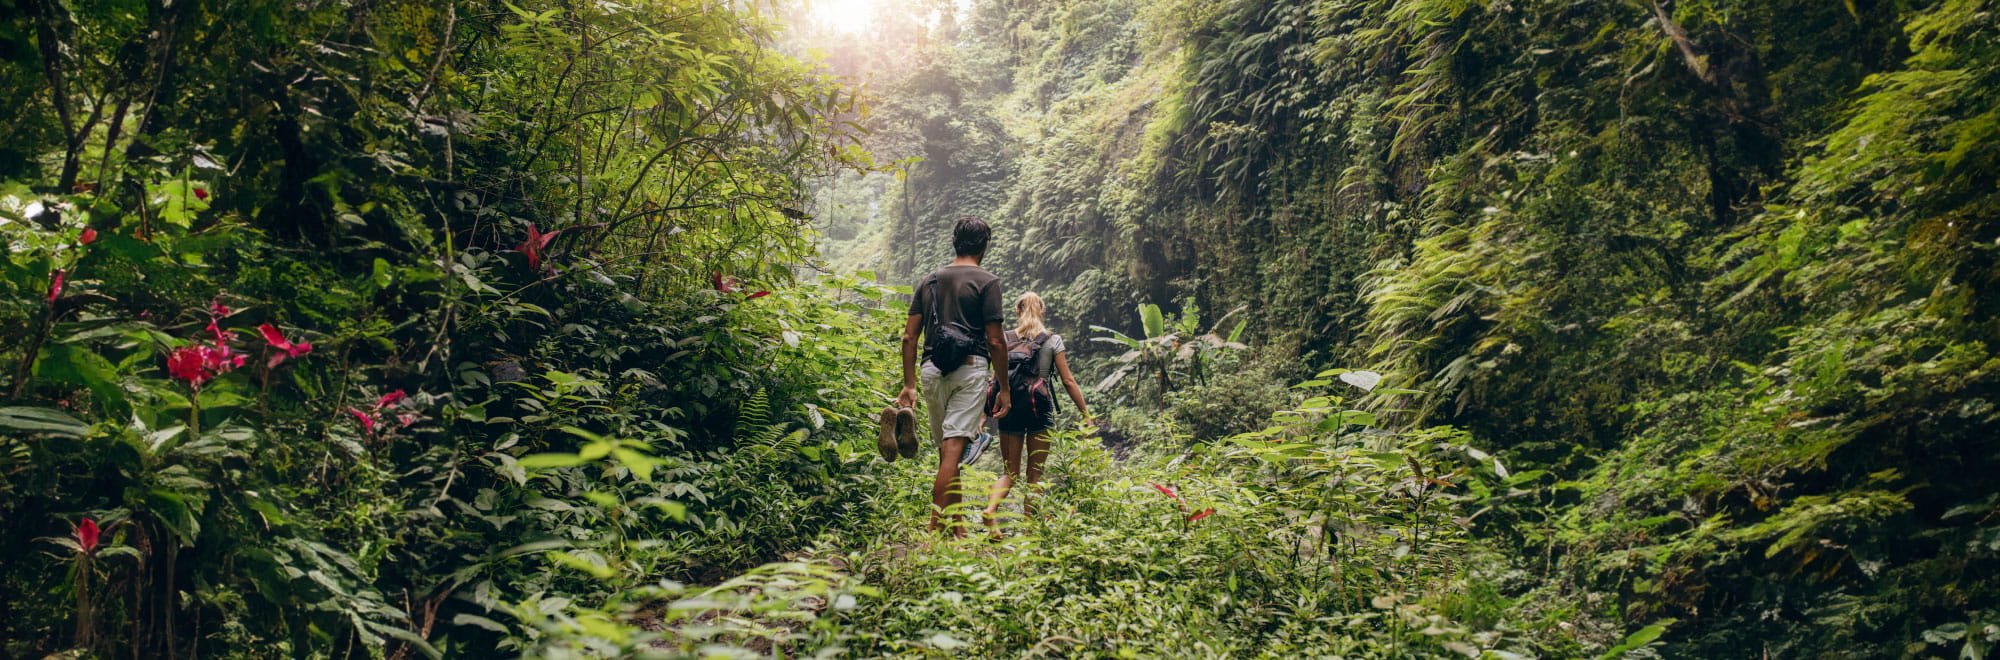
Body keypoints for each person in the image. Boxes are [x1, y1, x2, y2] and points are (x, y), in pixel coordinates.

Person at [897, 217, 1011, 538]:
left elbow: (909, 337)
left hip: (931, 369)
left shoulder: (929, 280)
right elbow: (996, 340)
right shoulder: (987, 282)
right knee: (954, 449)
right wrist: (1003, 387)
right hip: (970, 367)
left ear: (954, 242)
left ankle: (957, 529)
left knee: (948, 450)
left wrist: (909, 385)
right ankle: (935, 527)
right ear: (984, 245)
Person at [980, 292, 1092, 536]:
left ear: (1017, 311)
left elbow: (994, 380)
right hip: (1039, 408)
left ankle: (990, 510)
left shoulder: (1005, 338)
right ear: (1041, 310)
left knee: (1010, 471)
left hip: (1009, 406)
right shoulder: (1052, 340)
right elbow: (1068, 380)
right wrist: (1085, 413)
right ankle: (1029, 530)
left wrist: (984, 413)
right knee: (1035, 473)